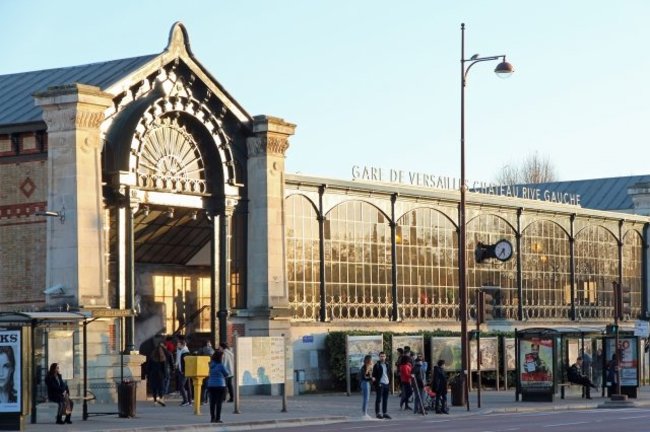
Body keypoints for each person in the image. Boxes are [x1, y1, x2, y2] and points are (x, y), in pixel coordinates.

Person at [207, 350, 229, 423]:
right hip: (220, 385)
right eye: (222, 357)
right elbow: (226, 374)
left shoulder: (210, 365)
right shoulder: (221, 365)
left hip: (211, 385)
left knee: (212, 403)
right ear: (219, 357)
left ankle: (212, 418)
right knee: (219, 403)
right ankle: (218, 418)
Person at [371, 351, 391, 419]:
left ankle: (385, 413)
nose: (382, 357)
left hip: (386, 383)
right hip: (380, 384)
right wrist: (376, 383)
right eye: (381, 356)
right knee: (379, 399)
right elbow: (373, 375)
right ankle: (378, 413)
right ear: (379, 357)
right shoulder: (377, 365)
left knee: (385, 399)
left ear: (385, 357)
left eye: (383, 356)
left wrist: (389, 382)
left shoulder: (387, 364)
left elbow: (389, 374)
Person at [198, 340, 215, 404]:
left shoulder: (201, 350)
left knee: (203, 386)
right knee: (206, 386)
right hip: (208, 370)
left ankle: (202, 399)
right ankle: (205, 400)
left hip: (201, 369)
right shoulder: (211, 350)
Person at [176, 337, 191, 406]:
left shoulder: (185, 352)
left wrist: (183, 371)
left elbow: (187, 363)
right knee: (187, 386)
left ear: (182, 345)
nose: (177, 345)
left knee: (181, 386)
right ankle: (189, 401)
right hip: (181, 370)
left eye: (178, 344)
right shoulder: (180, 351)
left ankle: (186, 401)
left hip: (184, 371)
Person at [359, 355, 373, 419]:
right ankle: (365, 413)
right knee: (366, 398)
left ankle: (364, 412)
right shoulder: (366, 367)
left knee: (365, 398)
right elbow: (365, 377)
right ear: (369, 360)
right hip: (365, 383)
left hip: (364, 383)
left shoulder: (365, 366)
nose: (372, 361)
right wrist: (371, 378)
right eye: (371, 360)